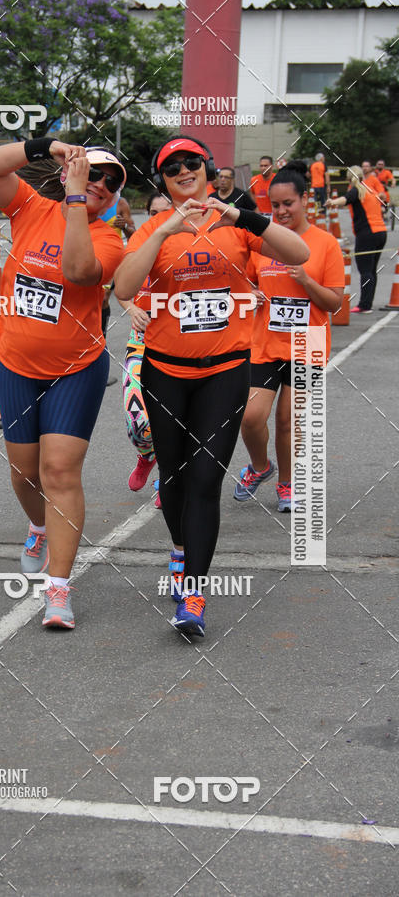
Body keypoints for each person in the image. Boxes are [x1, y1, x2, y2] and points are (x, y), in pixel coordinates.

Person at [114, 136, 309, 637]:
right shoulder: (156, 227)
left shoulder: (234, 224)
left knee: (205, 480)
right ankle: (180, 549)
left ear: (208, 169)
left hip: (225, 372)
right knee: (175, 481)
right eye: (172, 166)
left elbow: (300, 251)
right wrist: (164, 233)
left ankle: (194, 594)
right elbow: (123, 286)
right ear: (163, 179)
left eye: (192, 163)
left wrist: (243, 218)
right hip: (165, 373)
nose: (183, 170)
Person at [0, 139, 125, 629]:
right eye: (93, 172)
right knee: (25, 473)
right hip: (15, 362)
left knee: (59, 472)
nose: (101, 183)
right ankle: (38, 526)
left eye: (112, 181)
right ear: (68, 171)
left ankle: (57, 590)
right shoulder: (30, 207)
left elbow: (78, 271)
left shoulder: (109, 238)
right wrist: (49, 145)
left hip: (75, 369)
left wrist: (79, 200)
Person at [233, 163, 344, 512]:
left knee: (287, 420)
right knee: (250, 418)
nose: (281, 212)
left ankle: (287, 484)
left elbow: (334, 302)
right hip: (264, 342)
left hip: (306, 344)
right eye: (275, 206)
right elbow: (245, 282)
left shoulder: (325, 244)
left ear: (305, 199)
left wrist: (307, 282)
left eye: (288, 204)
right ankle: (260, 467)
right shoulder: (265, 242)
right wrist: (252, 293)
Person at [116, 193, 171, 508]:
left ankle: (168, 478)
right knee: (139, 423)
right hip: (141, 344)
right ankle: (145, 454)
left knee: (173, 420)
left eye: (165, 212)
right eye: (152, 212)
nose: (158, 217)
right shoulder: (137, 244)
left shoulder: (190, 246)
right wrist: (130, 306)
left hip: (178, 350)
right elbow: (120, 287)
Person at [327, 165, 387, 313]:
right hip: (381, 232)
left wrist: (332, 202)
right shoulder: (370, 190)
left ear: (349, 179)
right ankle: (367, 303)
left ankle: (364, 305)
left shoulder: (356, 190)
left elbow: (345, 199)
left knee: (365, 270)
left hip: (367, 234)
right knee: (371, 270)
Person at [99, 191, 136, 384]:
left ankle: (99, 344)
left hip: (110, 258)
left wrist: (125, 227)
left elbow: (135, 234)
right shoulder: (91, 198)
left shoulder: (121, 203)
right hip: (88, 254)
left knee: (103, 298)